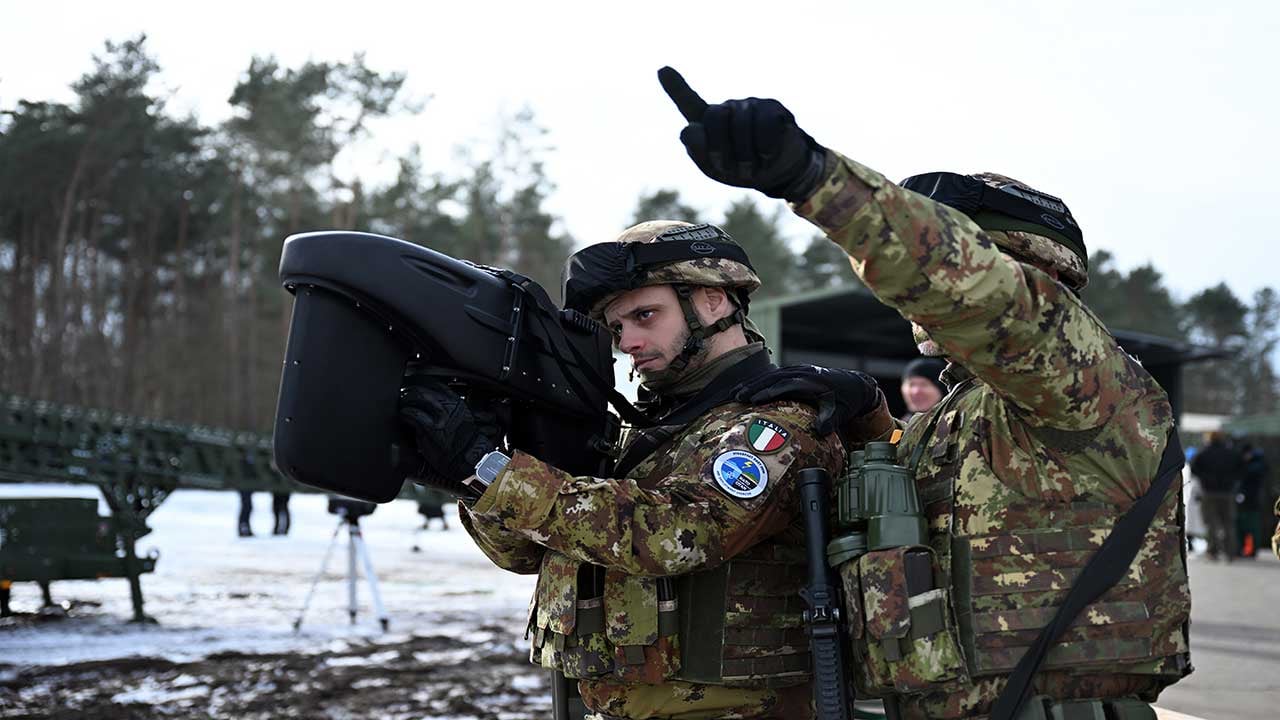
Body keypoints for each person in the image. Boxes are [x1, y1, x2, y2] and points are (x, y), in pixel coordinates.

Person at [658, 67, 1191, 720]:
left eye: (950, 263)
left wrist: (811, 178)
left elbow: (979, 292)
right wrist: (871, 420)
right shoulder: (955, 415)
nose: (916, 295)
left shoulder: (1085, 386)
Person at [398, 220, 894, 720]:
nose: (628, 341)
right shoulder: (641, 433)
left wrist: (494, 475)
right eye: (617, 328)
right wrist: (470, 479)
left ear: (714, 300)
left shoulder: (778, 419)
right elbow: (528, 553)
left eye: (645, 315)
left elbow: (680, 533)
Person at [1190, 432, 1243, 561]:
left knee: (1211, 523)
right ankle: (1230, 552)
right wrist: (1232, 480)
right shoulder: (1232, 453)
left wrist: (1205, 478)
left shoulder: (1203, 453)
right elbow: (1242, 469)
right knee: (1228, 523)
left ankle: (1213, 551)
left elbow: (1194, 468)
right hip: (1227, 492)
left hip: (1209, 492)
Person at [1237, 443, 1268, 558]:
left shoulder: (1256, 465)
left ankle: (1252, 550)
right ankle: (1244, 549)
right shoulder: (1252, 464)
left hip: (1253, 501)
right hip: (1247, 499)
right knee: (1243, 526)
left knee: (1252, 527)